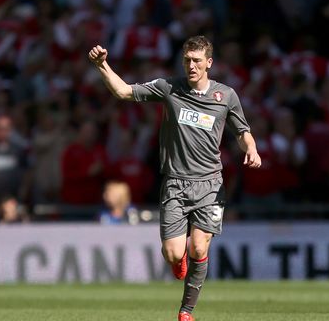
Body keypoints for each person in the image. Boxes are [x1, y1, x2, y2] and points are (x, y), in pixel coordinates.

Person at [88, 35, 261, 321]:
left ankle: (186, 311)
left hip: (210, 184)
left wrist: (252, 148)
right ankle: (178, 259)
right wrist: (102, 65)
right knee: (173, 253)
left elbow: (242, 132)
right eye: (187, 61)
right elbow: (123, 92)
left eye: (196, 61)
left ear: (209, 63)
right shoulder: (169, 87)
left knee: (200, 245)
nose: (191, 66)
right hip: (175, 184)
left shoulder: (226, 96)